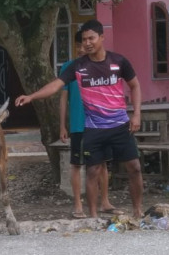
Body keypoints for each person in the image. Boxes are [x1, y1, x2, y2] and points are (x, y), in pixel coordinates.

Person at [17, 19, 144, 218]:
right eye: (84, 39)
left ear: (102, 37)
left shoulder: (119, 62)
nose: (87, 43)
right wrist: (31, 96)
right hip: (93, 128)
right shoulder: (77, 66)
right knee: (92, 171)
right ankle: (93, 216)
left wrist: (136, 114)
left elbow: (135, 86)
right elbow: (55, 86)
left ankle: (138, 210)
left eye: (91, 38)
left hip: (120, 126)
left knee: (134, 167)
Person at [59, 29, 117, 218]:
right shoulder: (68, 68)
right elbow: (63, 98)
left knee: (102, 164)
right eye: (78, 44)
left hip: (100, 123)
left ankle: (105, 201)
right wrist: (62, 125)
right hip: (78, 125)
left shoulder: (101, 65)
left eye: (85, 42)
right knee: (77, 164)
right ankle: (77, 204)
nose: (82, 47)